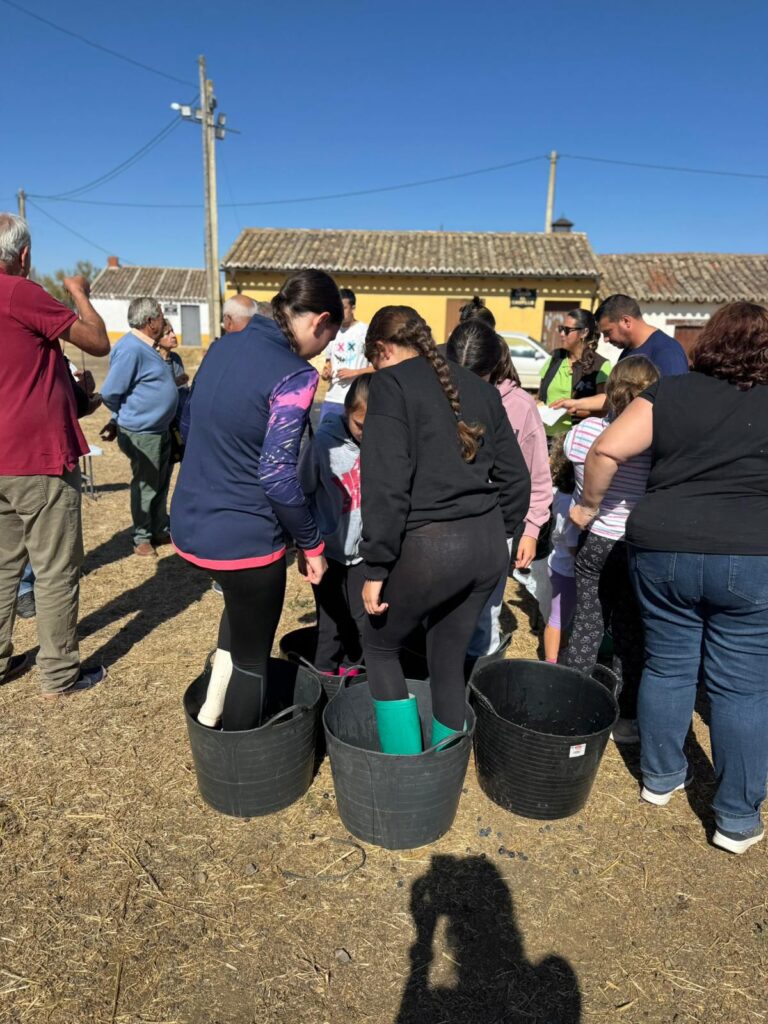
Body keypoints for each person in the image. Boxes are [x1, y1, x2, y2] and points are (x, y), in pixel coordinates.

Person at [577, 302, 768, 855]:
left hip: (664, 549)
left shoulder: (673, 392)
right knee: (743, 686)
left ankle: (660, 779)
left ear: (710, 343)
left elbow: (607, 448)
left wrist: (589, 506)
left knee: (668, 662)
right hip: (751, 555)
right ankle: (735, 818)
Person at [170, 270, 343, 731]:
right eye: (328, 339)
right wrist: (312, 544)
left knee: (238, 611)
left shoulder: (224, 344)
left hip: (189, 524)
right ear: (320, 321)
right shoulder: (296, 376)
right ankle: (241, 752)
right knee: (253, 657)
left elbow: (187, 425)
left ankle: (210, 713)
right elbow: (276, 473)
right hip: (245, 538)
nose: (322, 351)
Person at [359, 306, 530, 754]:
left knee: (378, 646)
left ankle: (405, 770)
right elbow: (517, 479)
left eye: (374, 360)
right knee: (448, 659)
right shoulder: (481, 388)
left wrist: (376, 565)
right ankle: (444, 764)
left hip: (431, 548)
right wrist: (502, 531)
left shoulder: (390, 385)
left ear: (382, 349)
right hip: (487, 546)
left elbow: (385, 484)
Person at [0, 212, 110, 698]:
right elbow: (97, 341)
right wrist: (79, 292)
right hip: (37, 458)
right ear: (23, 255)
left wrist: (65, 388)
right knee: (55, 568)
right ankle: (61, 672)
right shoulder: (21, 292)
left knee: (3, 567)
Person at [565, 356, 660, 743]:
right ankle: (624, 717)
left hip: (595, 539)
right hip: (637, 543)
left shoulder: (586, 432)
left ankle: (572, 707)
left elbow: (574, 473)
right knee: (630, 630)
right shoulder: (657, 439)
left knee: (587, 623)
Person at [445, 319, 551, 656]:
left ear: (492, 368)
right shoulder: (439, 394)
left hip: (496, 527)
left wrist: (531, 529)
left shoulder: (519, 406)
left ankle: (475, 683)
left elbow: (536, 476)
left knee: (483, 614)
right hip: (445, 522)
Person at [298, 374, 370, 675]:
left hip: (364, 553)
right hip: (328, 552)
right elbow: (302, 491)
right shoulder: (323, 445)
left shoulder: (385, 444)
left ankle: (353, 676)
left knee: (362, 621)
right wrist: (305, 546)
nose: (367, 434)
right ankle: (324, 682)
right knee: (331, 628)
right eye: (360, 426)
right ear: (346, 412)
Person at [100, 298, 179, 556]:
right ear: (150, 322)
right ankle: (142, 537)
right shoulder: (131, 348)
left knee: (160, 483)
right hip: (143, 432)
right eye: (159, 315)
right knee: (146, 484)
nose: (162, 318)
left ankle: (158, 528)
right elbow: (111, 392)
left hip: (160, 429)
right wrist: (122, 416)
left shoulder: (148, 346)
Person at [552, 294, 688, 419]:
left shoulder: (667, 352)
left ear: (626, 321)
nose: (605, 339)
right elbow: (614, 399)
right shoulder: (627, 352)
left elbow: (671, 407)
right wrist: (576, 404)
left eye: (608, 332)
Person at [537, 308, 610, 441]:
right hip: (544, 436)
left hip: (577, 439)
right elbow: (541, 398)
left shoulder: (601, 365)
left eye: (567, 330)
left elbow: (603, 409)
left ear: (584, 332)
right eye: (561, 328)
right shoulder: (555, 357)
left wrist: (575, 409)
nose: (561, 334)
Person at [543, 437, 578, 664]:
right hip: (566, 568)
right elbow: (572, 541)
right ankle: (551, 662)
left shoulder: (559, 494)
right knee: (557, 619)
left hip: (557, 563)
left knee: (563, 617)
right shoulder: (571, 502)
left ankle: (559, 654)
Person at [320, 287, 370, 420]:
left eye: (344, 308)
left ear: (353, 308)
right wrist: (326, 373)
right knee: (324, 439)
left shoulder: (366, 331)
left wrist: (354, 372)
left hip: (355, 399)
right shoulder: (332, 331)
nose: (340, 312)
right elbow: (328, 363)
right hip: (331, 399)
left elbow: (377, 367)